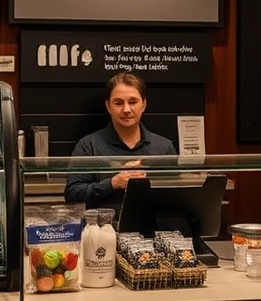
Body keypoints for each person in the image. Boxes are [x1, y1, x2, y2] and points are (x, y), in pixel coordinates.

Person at [64, 72, 177, 209]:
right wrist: (112, 183)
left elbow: (175, 198)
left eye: (133, 102)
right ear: (108, 106)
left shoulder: (164, 147)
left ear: (143, 105)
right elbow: (72, 195)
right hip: (105, 228)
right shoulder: (88, 146)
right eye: (118, 103)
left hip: (152, 227)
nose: (126, 109)